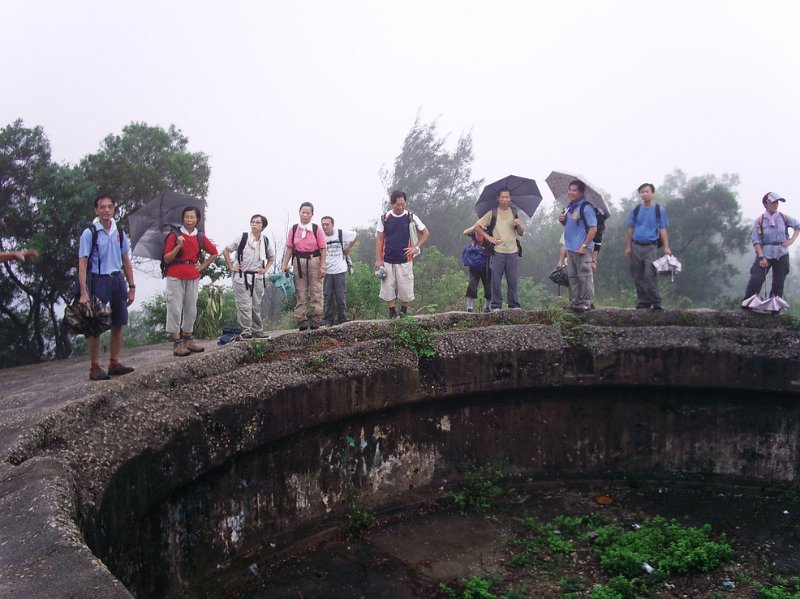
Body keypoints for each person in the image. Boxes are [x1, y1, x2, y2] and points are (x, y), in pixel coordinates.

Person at [77, 194, 136, 381]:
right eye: (102, 207)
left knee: (119, 321)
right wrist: (84, 291)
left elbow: (126, 259)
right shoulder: (90, 232)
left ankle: (114, 362)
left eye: (110, 207)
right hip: (98, 279)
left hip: (117, 278)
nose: (106, 210)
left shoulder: (119, 231)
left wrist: (131, 286)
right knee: (95, 325)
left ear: (114, 209)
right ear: (96, 210)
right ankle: (94, 367)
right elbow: (83, 263)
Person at [163, 206, 219, 356]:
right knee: (174, 308)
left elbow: (214, 252)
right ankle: (177, 342)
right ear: (183, 218)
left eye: (192, 217)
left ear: (197, 220)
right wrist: (178, 246)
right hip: (175, 274)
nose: (189, 220)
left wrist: (202, 266)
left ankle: (188, 338)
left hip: (192, 275)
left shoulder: (199, 236)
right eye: (186, 217)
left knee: (190, 309)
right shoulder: (174, 235)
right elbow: (167, 258)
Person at [374, 190, 429, 318]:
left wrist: (415, 247)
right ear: (392, 203)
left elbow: (425, 233)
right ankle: (392, 311)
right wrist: (378, 259)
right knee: (388, 286)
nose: (400, 207)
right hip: (387, 258)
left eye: (403, 204)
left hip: (405, 258)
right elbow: (380, 239)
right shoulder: (384, 218)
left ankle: (404, 311)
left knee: (406, 286)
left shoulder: (411, 217)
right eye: (398, 204)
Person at [222, 214, 275, 340]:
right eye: (252, 222)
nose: (254, 224)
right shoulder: (243, 238)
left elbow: (271, 257)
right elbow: (226, 250)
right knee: (244, 305)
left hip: (257, 277)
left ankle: (257, 330)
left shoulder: (265, 240)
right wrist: (231, 267)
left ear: (263, 226)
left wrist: (265, 269)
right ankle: (246, 330)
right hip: (241, 277)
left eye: (257, 222)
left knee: (255, 305)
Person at [742, 192, 799, 302]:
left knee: (778, 283)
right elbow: (756, 240)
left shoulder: (783, 217)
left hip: (781, 253)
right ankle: (748, 303)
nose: (775, 205)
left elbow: (798, 226)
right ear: (765, 204)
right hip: (765, 253)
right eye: (773, 203)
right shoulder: (760, 220)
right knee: (756, 279)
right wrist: (761, 257)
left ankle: (774, 307)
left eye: (777, 202)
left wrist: (791, 240)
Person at [623, 183, 671, 310]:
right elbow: (630, 228)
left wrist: (666, 247)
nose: (644, 194)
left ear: (652, 193)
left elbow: (663, 229)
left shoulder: (659, 210)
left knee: (650, 274)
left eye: (646, 191)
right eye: (642, 192)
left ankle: (656, 301)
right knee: (637, 275)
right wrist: (628, 247)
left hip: (651, 246)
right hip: (636, 245)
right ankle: (643, 301)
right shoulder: (636, 210)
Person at [475, 187, 524, 310]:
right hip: (498, 252)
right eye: (502, 197)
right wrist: (489, 238)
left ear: (510, 198)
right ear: (498, 198)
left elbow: (521, 233)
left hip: (512, 251)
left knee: (512, 280)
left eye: (507, 197)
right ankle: (496, 305)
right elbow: (477, 226)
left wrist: (519, 225)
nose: (505, 199)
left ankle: (514, 305)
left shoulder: (515, 212)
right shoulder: (492, 213)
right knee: (496, 280)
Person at [282, 202, 327, 330]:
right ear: (299, 213)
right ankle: (301, 319)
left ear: (312, 214)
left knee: (316, 289)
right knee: (300, 290)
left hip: (314, 260)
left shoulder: (316, 228)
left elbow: (323, 248)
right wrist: (285, 265)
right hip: (298, 261)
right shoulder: (294, 228)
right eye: (303, 212)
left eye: (308, 213)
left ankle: (316, 318)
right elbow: (290, 248)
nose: (305, 215)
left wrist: (323, 266)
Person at [558, 180, 596, 312]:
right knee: (573, 276)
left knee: (584, 276)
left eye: (574, 190)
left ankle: (586, 302)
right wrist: (562, 220)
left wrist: (584, 245)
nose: (571, 192)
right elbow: (571, 225)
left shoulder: (586, 207)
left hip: (582, 249)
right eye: (570, 189)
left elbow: (593, 229)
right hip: (570, 247)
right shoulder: (569, 207)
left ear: (581, 192)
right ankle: (575, 301)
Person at [321, 215, 359, 326]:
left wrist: (348, 248)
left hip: (340, 270)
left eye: (327, 224)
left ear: (333, 224)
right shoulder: (320, 236)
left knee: (341, 296)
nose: (325, 226)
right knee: (328, 296)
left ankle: (342, 319)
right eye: (323, 224)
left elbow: (357, 235)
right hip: (327, 271)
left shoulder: (340, 233)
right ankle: (328, 320)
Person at [462, 225, 491, 312]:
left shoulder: (491, 230)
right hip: (475, 261)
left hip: (487, 261)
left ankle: (488, 307)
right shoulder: (475, 230)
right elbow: (465, 232)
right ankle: (469, 307)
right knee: (472, 283)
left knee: (488, 284)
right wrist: (477, 227)